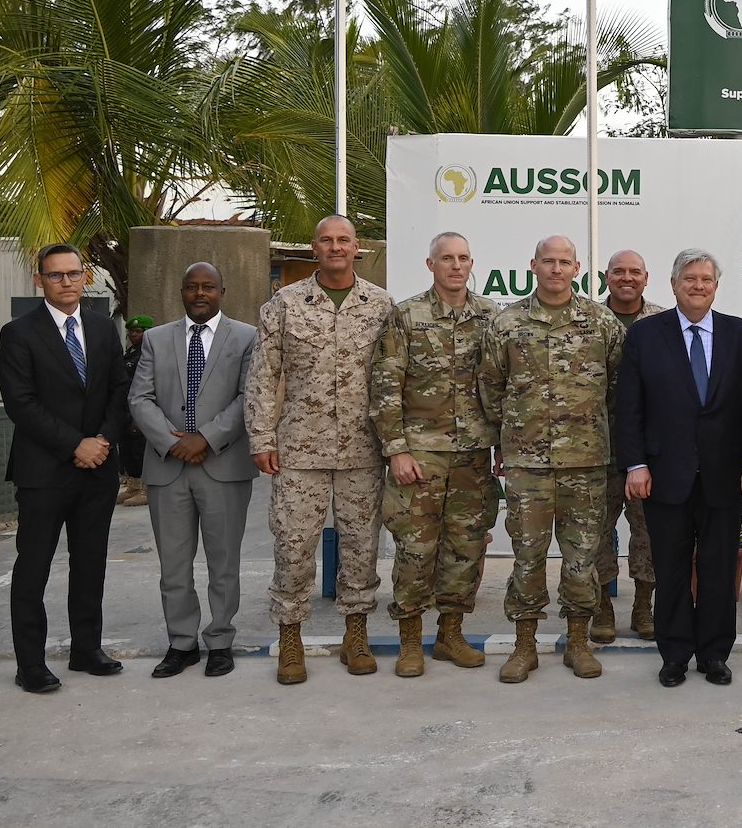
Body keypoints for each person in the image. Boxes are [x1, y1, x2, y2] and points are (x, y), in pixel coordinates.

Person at [245, 213, 395, 685]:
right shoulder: (284, 304)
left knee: (361, 547)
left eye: (344, 240)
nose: (335, 247)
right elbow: (263, 375)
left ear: (357, 249)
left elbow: (394, 378)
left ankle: (356, 635)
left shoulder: (381, 306)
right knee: (293, 546)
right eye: (326, 240)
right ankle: (291, 640)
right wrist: (262, 437)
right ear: (314, 248)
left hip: (362, 450)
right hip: (299, 451)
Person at [616, 249, 742, 687]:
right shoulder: (646, 336)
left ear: (716, 286)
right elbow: (631, 408)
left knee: (720, 569)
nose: (698, 286)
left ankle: (715, 654)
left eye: (706, 279)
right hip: (665, 475)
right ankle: (676, 654)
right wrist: (636, 465)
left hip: (726, 476)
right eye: (690, 279)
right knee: (672, 569)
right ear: (673, 284)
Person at [478, 235, 625, 684]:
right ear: (533, 265)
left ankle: (578, 642)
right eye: (548, 261)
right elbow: (490, 386)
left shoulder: (601, 323)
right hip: (528, 464)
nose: (556, 269)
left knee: (582, 556)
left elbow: (618, 387)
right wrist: (509, 440)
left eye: (564, 262)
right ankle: (525, 645)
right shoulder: (507, 322)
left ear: (577, 268)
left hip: (586, 462)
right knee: (527, 555)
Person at [0, 243, 130, 694]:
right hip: (44, 473)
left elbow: (119, 391)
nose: (67, 282)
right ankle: (30, 664)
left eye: (74, 273)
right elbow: (21, 404)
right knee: (33, 567)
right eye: (56, 275)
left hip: (97, 471)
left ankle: (86, 650)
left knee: (90, 563)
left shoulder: (101, 327)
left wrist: (103, 441)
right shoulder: (18, 333)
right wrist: (76, 443)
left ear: (85, 275)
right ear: (40, 281)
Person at [368, 232, 500, 678]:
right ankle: (410, 640)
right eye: (447, 258)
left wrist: (502, 445)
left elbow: (502, 386)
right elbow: (386, 386)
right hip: (421, 456)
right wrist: (396, 451)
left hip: (474, 457)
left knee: (464, 548)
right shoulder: (406, 316)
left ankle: (450, 634)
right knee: (415, 549)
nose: (456, 266)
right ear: (431, 265)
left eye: (463, 258)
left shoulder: (490, 317)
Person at [127, 262, 259, 679]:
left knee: (224, 562)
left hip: (223, 465)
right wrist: (173, 443)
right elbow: (140, 399)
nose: (199, 293)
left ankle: (220, 640)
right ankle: (181, 643)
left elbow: (247, 396)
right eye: (191, 287)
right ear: (181, 291)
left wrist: (204, 437)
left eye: (208, 287)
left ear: (223, 289)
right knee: (174, 564)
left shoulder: (247, 337)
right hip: (168, 469)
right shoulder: (154, 338)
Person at [595, 248, 667, 643]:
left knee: (649, 531)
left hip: (647, 448)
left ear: (646, 278)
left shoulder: (662, 321)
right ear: (606, 276)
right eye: (619, 271)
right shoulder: (587, 319)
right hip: (597, 446)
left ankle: (644, 606)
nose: (627, 278)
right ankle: (602, 608)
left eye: (634, 272)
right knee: (597, 532)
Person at [117, 314, 155, 508]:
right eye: (131, 331)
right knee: (127, 449)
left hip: (139, 408)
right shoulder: (131, 352)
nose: (133, 334)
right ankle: (133, 485)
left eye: (138, 331)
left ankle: (145, 489)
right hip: (125, 407)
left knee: (140, 449)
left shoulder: (148, 353)